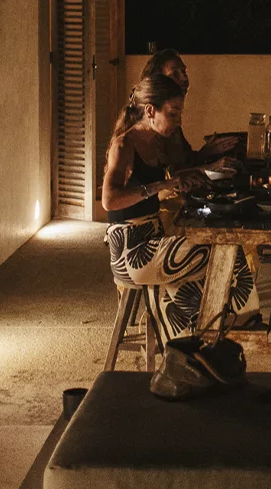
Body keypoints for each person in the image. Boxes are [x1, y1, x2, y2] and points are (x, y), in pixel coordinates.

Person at [99, 73, 254, 340]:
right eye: (173, 113)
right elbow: (109, 200)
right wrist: (161, 186)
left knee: (198, 273)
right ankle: (244, 321)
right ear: (150, 110)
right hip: (131, 252)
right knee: (224, 250)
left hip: (154, 240)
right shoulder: (124, 144)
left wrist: (187, 178)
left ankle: (189, 345)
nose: (178, 121)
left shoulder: (156, 142)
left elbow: (171, 177)